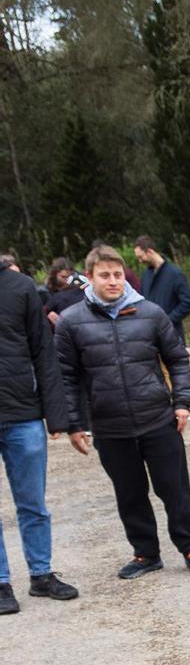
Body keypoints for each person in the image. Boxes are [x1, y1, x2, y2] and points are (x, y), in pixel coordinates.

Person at [55, 244, 190, 576]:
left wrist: (182, 402)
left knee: (174, 489)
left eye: (117, 275)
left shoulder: (151, 313)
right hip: (110, 427)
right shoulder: (71, 323)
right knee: (129, 494)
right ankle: (146, 554)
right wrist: (74, 423)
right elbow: (66, 377)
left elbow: (178, 358)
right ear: (91, 277)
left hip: (157, 419)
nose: (112, 281)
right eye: (104, 275)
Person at [0, 253, 79, 611]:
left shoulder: (21, 287)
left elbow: (43, 352)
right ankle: (1, 584)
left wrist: (57, 416)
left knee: (33, 503)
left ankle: (41, 575)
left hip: (23, 414)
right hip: (21, 413)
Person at [133, 237, 190, 345]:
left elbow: (188, 303)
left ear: (150, 251)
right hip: (151, 337)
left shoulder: (175, 274)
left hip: (172, 337)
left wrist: (167, 321)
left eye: (141, 257)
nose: (140, 261)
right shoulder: (146, 276)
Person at [43, 258, 84, 325]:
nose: (67, 281)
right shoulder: (46, 293)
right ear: (55, 275)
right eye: (64, 277)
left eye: (69, 277)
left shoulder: (81, 289)